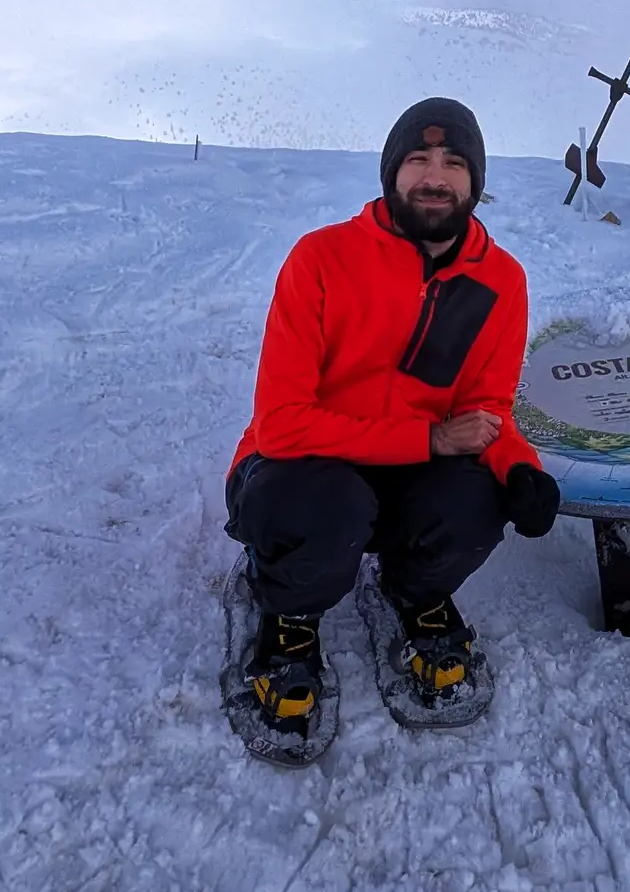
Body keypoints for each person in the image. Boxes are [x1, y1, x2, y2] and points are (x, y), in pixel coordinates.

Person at [224, 97, 560, 735]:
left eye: (454, 163)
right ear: (391, 173)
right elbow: (283, 424)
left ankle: (416, 593)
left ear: (475, 181)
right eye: (419, 159)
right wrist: (429, 438)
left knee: (478, 496)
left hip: (407, 471)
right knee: (327, 503)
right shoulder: (321, 259)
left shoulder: (502, 282)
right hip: (296, 468)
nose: (435, 176)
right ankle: (288, 613)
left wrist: (519, 469)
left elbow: (485, 410)